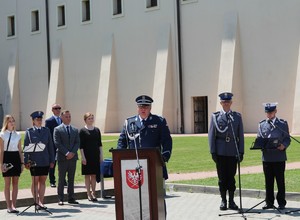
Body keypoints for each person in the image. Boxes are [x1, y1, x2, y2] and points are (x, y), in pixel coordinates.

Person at [117, 95, 172, 179]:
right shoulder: (129, 122)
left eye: (146, 107)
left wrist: (164, 157)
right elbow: (122, 141)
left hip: (154, 163)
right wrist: (119, 157)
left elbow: (167, 140)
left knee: (156, 190)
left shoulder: (159, 121)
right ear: (137, 108)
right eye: (141, 106)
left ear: (150, 108)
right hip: (133, 164)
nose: (143, 109)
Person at [208, 92, 244, 211]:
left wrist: (241, 151)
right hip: (221, 152)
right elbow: (212, 135)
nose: (226, 104)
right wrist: (213, 152)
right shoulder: (215, 117)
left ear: (231, 103)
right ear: (221, 103)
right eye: (224, 102)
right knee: (222, 178)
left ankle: (232, 201)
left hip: (233, 151)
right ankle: (223, 200)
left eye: (228, 102)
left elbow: (240, 136)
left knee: (231, 177)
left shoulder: (237, 117)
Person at [257, 103, 291, 210]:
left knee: (280, 181)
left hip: (279, 156)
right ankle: (269, 202)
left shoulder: (282, 124)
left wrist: (284, 145)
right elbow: (259, 138)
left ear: (275, 111)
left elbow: (287, 138)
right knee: (268, 181)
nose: (269, 114)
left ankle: (281, 202)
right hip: (267, 157)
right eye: (267, 112)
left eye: (271, 112)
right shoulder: (262, 124)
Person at [23, 111, 55, 210]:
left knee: (43, 181)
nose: (39, 121)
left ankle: (41, 202)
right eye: (37, 119)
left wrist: (52, 160)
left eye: (41, 119)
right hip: (34, 161)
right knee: (35, 181)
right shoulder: (29, 131)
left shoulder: (46, 130)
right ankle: (36, 202)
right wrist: (26, 161)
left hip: (45, 160)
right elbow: (26, 147)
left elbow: (50, 146)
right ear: (33, 121)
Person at [54, 110, 80, 205]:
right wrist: (67, 153)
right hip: (62, 157)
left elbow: (77, 142)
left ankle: (71, 197)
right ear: (61, 117)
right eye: (66, 116)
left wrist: (72, 153)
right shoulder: (57, 129)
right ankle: (60, 198)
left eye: (69, 116)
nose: (68, 118)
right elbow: (57, 143)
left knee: (71, 178)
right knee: (61, 179)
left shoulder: (75, 129)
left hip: (73, 158)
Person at [0, 115, 24, 213]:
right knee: (7, 183)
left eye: (13, 121)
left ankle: (14, 205)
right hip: (6, 157)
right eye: (10, 121)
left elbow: (20, 150)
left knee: (15, 183)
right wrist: (1, 164)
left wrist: (22, 163)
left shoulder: (18, 134)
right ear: (6, 123)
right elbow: (1, 151)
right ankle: (8, 206)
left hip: (16, 158)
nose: (12, 123)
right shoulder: (2, 134)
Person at [79, 112, 103, 202]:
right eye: (89, 118)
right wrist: (83, 157)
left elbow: (100, 144)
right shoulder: (82, 131)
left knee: (94, 175)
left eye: (92, 118)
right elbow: (81, 146)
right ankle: (88, 193)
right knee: (87, 175)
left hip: (95, 155)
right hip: (87, 155)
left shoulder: (97, 130)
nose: (91, 120)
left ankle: (94, 192)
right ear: (85, 120)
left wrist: (101, 156)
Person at [45, 103, 67, 188]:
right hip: (52, 146)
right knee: (52, 164)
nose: (57, 110)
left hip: (63, 146)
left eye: (59, 108)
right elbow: (48, 134)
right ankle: (52, 181)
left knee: (63, 165)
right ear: (52, 110)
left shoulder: (63, 120)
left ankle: (63, 180)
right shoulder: (49, 121)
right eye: (55, 108)